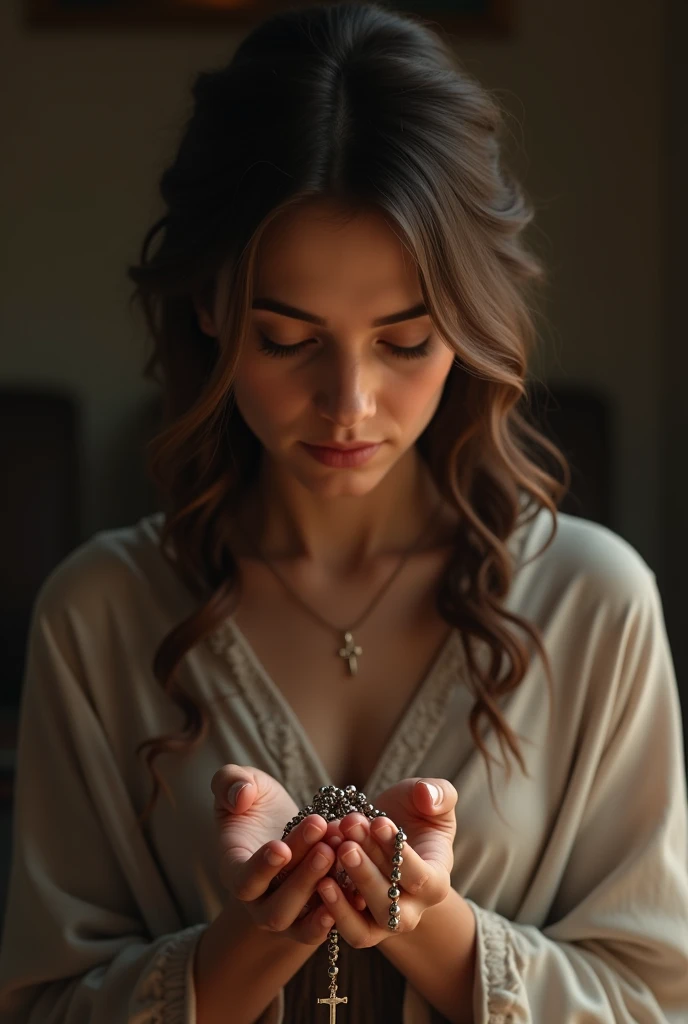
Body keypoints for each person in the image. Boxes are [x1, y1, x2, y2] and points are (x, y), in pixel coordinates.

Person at [1, 1, 687, 1021]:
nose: (350, 404)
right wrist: (250, 941)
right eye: (286, 339)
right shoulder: (98, 615)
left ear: (466, 328)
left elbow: (654, 1001)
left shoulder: (594, 605)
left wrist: (429, 924)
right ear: (208, 307)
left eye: (405, 341)